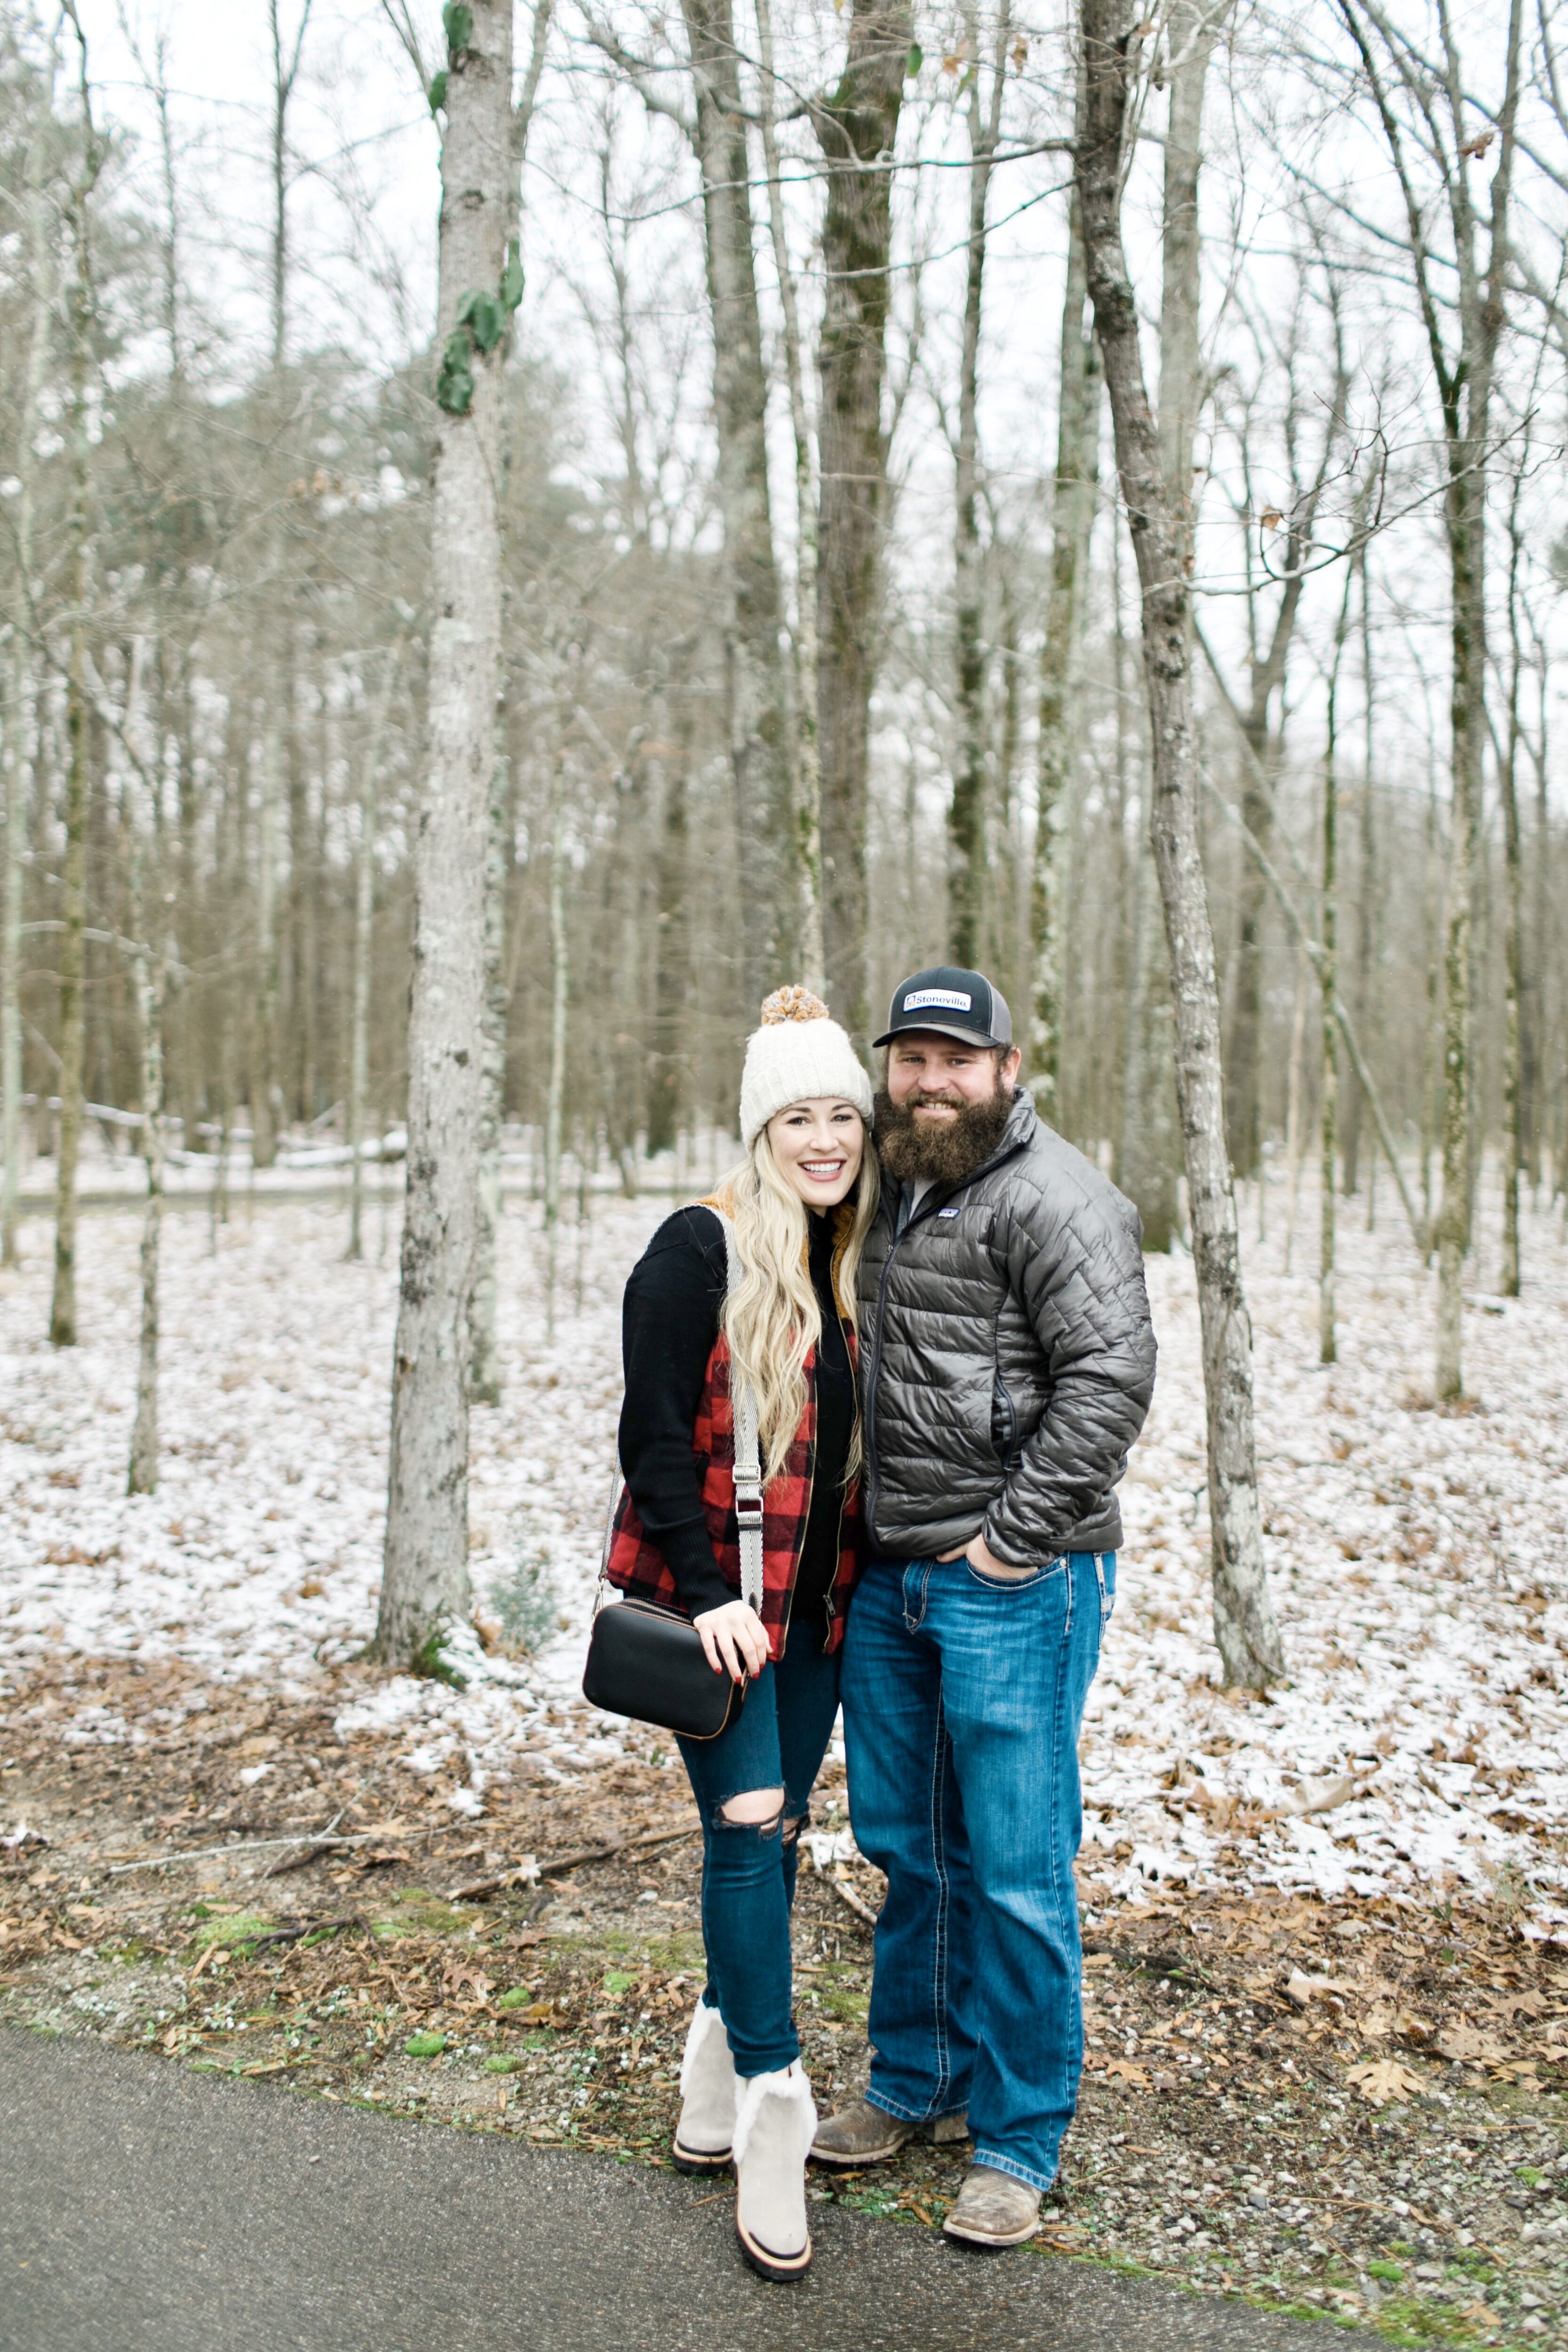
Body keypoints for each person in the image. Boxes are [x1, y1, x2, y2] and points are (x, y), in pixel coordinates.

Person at [811, 965, 1157, 2248]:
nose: (931, 1080)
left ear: (1009, 1068)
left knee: (1014, 1866)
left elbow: (1112, 1380)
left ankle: (1018, 2136)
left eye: (958, 1060)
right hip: (894, 1573)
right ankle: (920, 2080)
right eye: (911, 1058)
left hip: (1019, 1578)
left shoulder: (1059, 1198)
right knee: (909, 1846)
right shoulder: (884, 1185)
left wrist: (1012, 1546)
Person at [605, 985, 878, 2282]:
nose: (825, 1139)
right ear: (760, 1127)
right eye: (800, 1117)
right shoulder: (696, 1247)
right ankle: (774, 2103)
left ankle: (709, 2084)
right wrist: (712, 1589)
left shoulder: (846, 1253)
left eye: (843, 1115)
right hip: (724, 1613)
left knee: (775, 1836)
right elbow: (652, 1436)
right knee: (742, 1823)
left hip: (817, 1619)